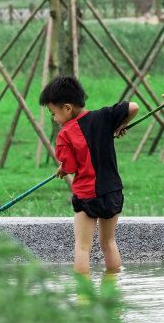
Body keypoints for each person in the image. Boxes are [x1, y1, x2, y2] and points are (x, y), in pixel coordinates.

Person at [39, 75, 139, 276]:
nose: (54, 119)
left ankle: (83, 297)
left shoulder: (66, 134)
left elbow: (71, 165)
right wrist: (122, 124)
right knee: (108, 242)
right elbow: (133, 107)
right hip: (112, 191)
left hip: (87, 194)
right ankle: (112, 288)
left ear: (67, 108)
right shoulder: (105, 116)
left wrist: (63, 167)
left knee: (83, 247)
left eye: (53, 113)